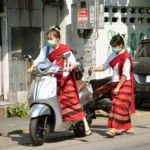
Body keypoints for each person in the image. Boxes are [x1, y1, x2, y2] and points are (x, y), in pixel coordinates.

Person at [27, 25, 92, 136]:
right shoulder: (46, 49)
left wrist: (69, 68)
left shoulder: (65, 50)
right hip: (51, 79)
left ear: (57, 39)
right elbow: (39, 60)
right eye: (48, 39)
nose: (49, 41)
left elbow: (73, 63)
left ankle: (86, 125)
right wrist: (31, 67)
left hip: (65, 79)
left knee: (73, 103)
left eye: (51, 39)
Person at [91, 34, 135, 138]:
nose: (113, 48)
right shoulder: (112, 55)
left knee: (117, 106)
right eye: (112, 46)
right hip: (115, 83)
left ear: (121, 45)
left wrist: (118, 87)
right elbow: (104, 66)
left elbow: (125, 75)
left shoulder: (126, 57)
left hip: (124, 84)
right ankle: (129, 128)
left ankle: (113, 129)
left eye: (115, 46)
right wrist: (93, 69)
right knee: (122, 107)